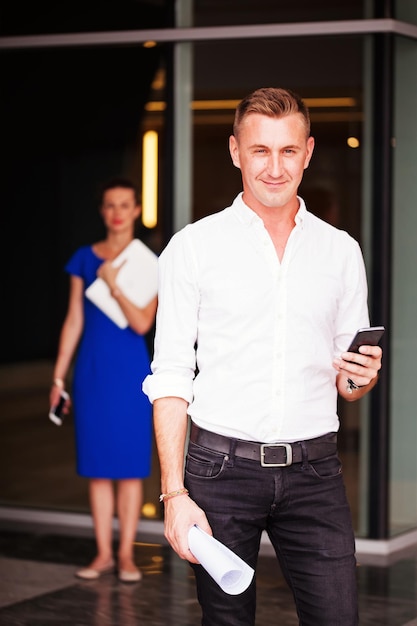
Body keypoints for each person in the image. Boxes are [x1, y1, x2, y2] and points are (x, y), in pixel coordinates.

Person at [142, 87, 383, 625]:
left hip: (316, 473)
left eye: (288, 151)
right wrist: (174, 494)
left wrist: (361, 379)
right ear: (235, 151)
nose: (275, 167)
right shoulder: (193, 248)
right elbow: (172, 376)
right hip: (218, 472)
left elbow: (349, 380)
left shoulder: (341, 251)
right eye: (260, 151)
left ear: (309, 151)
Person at [50, 177, 157, 583]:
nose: (117, 212)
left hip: (131, 373)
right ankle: (103, 554)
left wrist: (113, 284)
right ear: (103, 211)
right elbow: (74, 319)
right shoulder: (83, 256)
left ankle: (127, 554)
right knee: (97, 468)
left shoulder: (151, 262)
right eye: (110, 205)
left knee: (130, 468)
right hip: (93, 370)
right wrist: (59, 376)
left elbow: (142, 322)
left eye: (124, 205)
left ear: (135, 210)